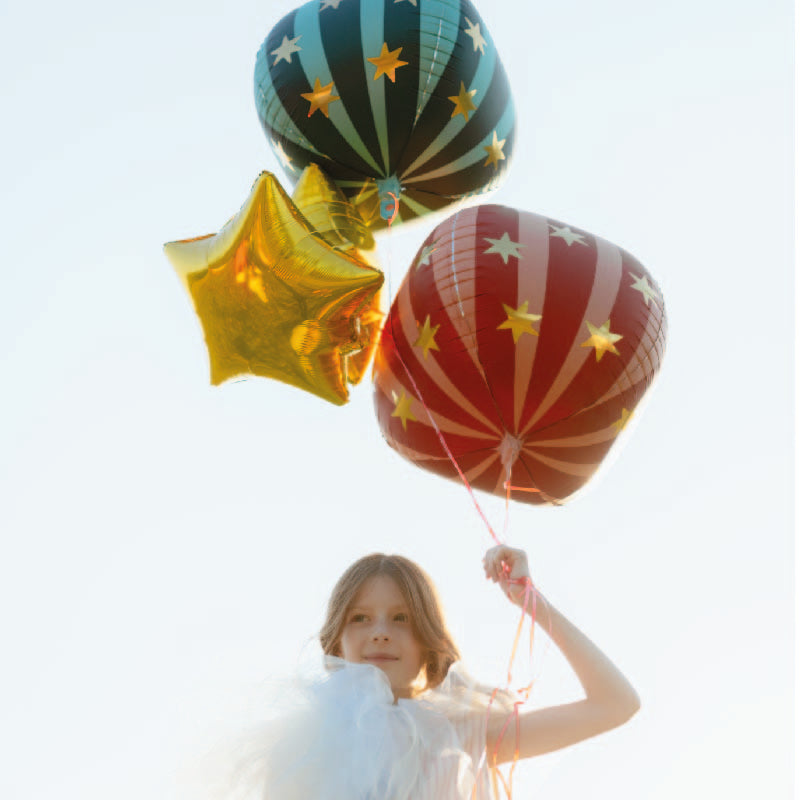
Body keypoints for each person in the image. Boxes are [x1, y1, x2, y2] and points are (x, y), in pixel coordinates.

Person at [250, 544, 640, 800]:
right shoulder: (303, 744)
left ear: (428, 639)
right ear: (337, 642)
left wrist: (530, 600)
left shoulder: (462, 734)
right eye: (361, 618)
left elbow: (615, 704)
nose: (381, 633)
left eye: (401, 618)